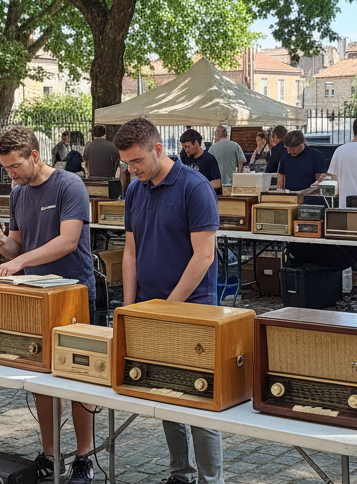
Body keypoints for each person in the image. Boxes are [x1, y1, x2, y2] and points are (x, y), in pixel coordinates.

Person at [0, 125, 95, 484]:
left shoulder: (69, 185)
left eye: (15, 166)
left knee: (77, 379)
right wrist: (2, 244)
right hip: (34, 298)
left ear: (34, 155)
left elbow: (67, 241)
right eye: (5, 169)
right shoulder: (17, 195)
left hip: (72, 293)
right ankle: (49, 453)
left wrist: (18, 260)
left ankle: (83, 456)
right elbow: (17, 247)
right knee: (42, 379)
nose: (11, 174)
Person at [115, 118, 222, 484]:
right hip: (149, 305)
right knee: (164, 392)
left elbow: (203, 256)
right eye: (127, 163)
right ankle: (181, 474)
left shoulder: (195, 188)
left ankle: (211, 480)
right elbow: (130, 251)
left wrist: (168, 307)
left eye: (137, 161)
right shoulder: (134, 189)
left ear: (158, 149)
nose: (132, 169)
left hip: (193, 307)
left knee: (200, 397)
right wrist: (129, 307)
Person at [276, 130, 326, 200]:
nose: (289, 152)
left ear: (301, 145)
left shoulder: (315, 156)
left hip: (309, 198)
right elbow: (281, 177)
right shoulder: (285, 156)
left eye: (292, 149)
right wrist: (279, 195)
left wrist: (303, 193)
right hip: (290, 197)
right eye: (287, 149)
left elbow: (320, 181)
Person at [179, 130, 222, 194]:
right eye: (184, 148)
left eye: (187, 147)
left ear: (196, 143)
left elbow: (217, 183)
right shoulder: (185, 157)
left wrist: (199, 186)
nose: (186, 150)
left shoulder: (209, 159)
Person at [206, 125, 245, 191]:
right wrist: (238, 176)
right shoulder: (235, 146)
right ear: (226, 134)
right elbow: (241, 162)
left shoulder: (212, 148)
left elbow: (208, 165)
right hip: (232, 184)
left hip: (217, 184)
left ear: (217, 135)